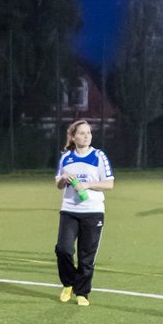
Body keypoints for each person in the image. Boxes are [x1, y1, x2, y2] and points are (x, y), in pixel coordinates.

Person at [54, 119, 114, 306]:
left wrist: (86, 184)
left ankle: (82, 293)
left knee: (86, 256)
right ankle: (69, 284)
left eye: (89, 132)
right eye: (82, 133)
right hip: (70, 210)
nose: (86, 136)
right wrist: (64, 178)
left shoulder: (99, 156)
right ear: (73, 136)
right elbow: (58, 185)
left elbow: (109, 183)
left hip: (93, 211)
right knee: (63, 250)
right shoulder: (66, 157)